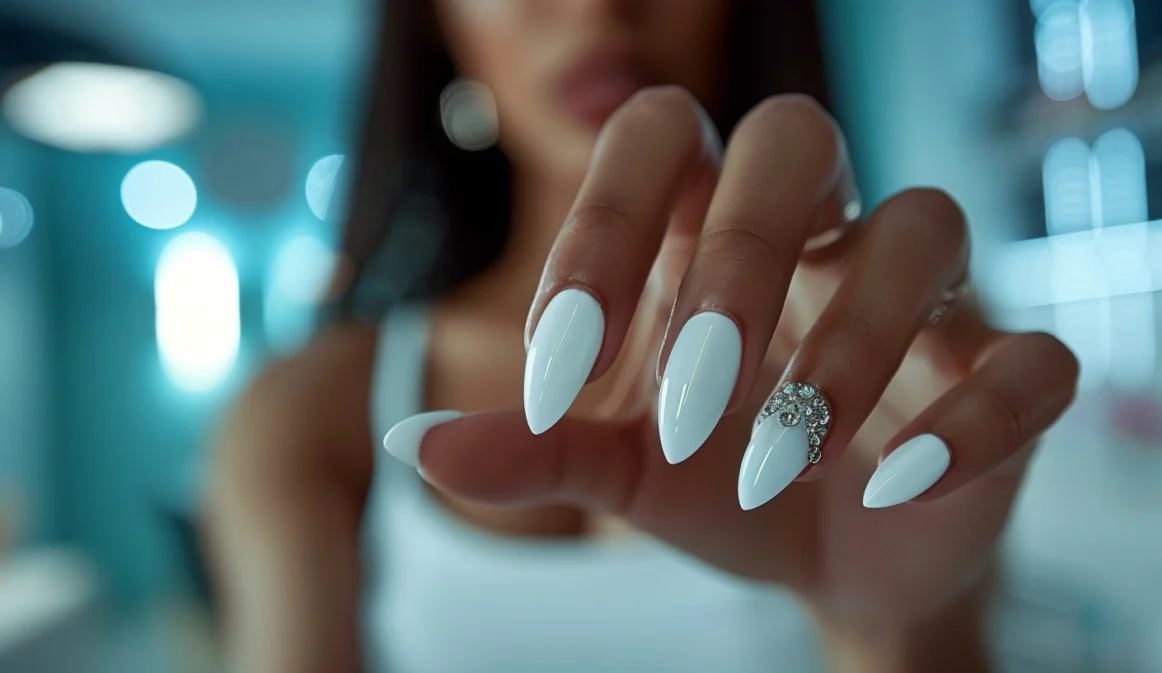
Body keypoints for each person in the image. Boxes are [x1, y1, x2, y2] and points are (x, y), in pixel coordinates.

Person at [203, 1, 1080, 672]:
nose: (598, 6)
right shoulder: (308, 408)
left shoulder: (896, 363)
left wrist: (891, 626)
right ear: (437, 23)